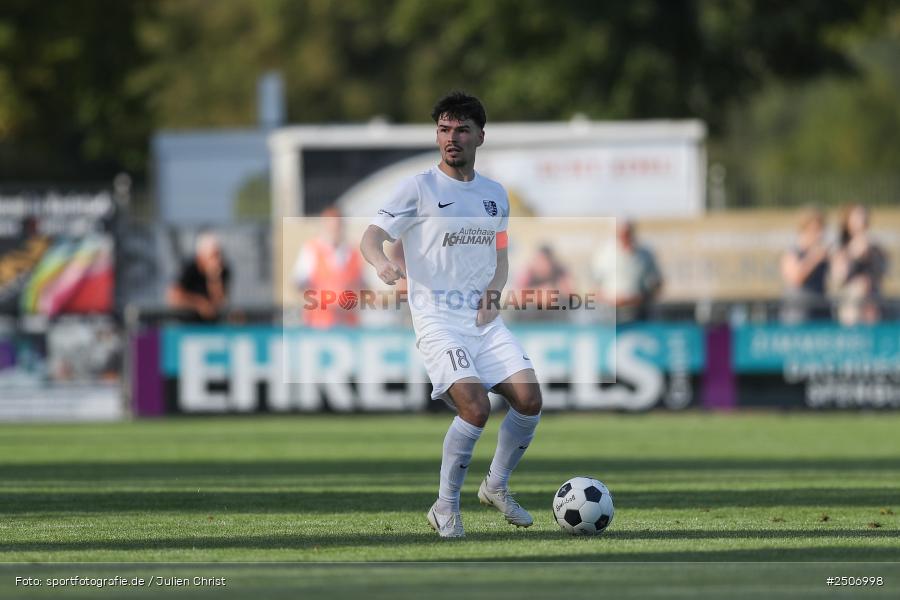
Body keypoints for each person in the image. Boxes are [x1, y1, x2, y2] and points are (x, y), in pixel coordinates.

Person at [360, 92, 542, 538]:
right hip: (438, 319)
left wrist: (496, 291)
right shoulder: (418, 188)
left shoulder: (495, 194)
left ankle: (496, 486)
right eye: (444, 130)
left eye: (461, 130)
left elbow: (500, 254)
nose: (451, 138)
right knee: (476, 408)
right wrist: (382, 262)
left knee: (530, 400)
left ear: (480, 135)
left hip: (483, 322)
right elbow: (370, 236)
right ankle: (445, 507)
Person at [293, 207, 364, 328]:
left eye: (337, 225)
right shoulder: (311, 250)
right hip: (319, 323)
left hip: (348, 324)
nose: (334, 229)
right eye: (331, 225)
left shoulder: (353, 253)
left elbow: (362, 284)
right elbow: (299, 283)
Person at [592, 219, 663, 322]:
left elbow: (657, 283)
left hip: (639, 312)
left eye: (627, 233)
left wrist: (639, 298)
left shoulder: (645, 254)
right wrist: (609, 299)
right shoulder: (604, 254)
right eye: (621, 233)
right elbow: (594, 287)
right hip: (609, 313)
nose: (624, 237)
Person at [830, 203, 887, 325]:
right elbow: (838, 278)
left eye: (863, 217)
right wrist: (852, 255)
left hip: (872, 301)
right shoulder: (840, 246)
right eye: (856, 217)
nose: (861, 221)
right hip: (850, 302)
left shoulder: (875, 246)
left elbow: (882, 272)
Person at [780, 206, 830, 323]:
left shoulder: (824, 253)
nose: (819, 234)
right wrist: (814, 258)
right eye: (815, 229)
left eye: (821, 228)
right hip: (799, 310)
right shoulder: (793, 252)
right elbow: (796, 278)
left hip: (821, 306)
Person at [167, 232, 230, 322]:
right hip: (186, 325)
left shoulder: (222, 271)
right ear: (201, 256)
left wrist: (214, 279)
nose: (217, 259)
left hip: (212, 326)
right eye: (213, 255)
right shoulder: (189, 269)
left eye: (218, 254)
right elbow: (173, 297)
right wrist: (199, 303)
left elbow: (220, 303)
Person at [514, 244, 575, 321]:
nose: (538, 264)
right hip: (533, 312)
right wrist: (539, 294)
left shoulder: (559, 271)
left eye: (542, 260)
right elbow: (516, 295)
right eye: (536, 260)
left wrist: (552, 293)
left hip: (555, 312)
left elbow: (570, 292)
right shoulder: (529, 272)